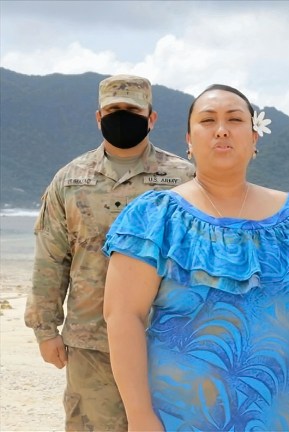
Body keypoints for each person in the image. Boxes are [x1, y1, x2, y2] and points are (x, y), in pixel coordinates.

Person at [101, 84, 289, 431]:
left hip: (278, 417)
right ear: (189, 139)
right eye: (207, 120)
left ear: (254, 138)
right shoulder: (155, 218)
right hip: (176, 420)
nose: (221, 129)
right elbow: (123, 315)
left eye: (234, 119)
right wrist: (139, 416)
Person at [23, 74, 195, 431]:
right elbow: (51, 258)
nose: (122, 116)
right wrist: (45, 329)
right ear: (98, 117)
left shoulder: (184, 179)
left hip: (166, 340)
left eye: (131, 109)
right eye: (113, 109)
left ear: (151, 117)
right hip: (90, 342)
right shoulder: (69, 180)